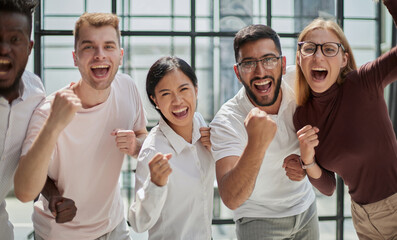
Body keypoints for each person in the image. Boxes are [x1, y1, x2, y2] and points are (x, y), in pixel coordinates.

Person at [13, 12, 148, 240]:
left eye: (108, 46)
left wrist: (136, 146)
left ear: (120, 55)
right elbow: (25, 189)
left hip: (114, 228)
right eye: (89, 47)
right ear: (75, 58)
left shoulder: (127, 88)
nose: (100, 55)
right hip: (58, 235)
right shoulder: (49, 111)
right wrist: (52, 195)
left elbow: (143, 135)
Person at [293, 0, 397, 239]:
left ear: (343, 59)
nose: (318, 56)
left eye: (329, 49)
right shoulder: (302, 115)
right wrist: (307, 159)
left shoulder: (362, 83)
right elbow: (329, 187)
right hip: (362, 219)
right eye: (309, 48)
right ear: (300, 58)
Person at [209, 24, 319, 239]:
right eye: (249, 63)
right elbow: (231, 198)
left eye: (269, 60)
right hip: (257, 218)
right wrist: (256, 143)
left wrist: (308, 162)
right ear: (237, 73)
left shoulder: (300, 83)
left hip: (306, 208)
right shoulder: (227, 120)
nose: (260, 72)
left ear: (283, 64)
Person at [128, 56, 215, 240]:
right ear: (155, 100)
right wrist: (155, 184)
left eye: (184, 89)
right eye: (166, 94)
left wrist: (217, 148)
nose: (177, 101)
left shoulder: (202, 126)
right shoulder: (153, 150)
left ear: (196, 90)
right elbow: (138, 223)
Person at [0, 0, 46, 239]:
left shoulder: (35, 92)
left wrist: (53, 194)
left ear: (29, 47)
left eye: (15, 39)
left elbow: (34, 152)